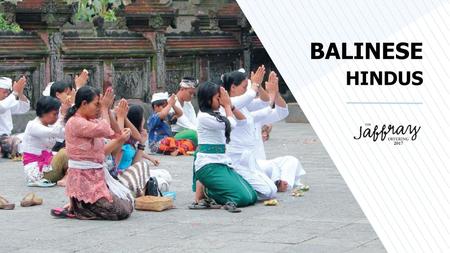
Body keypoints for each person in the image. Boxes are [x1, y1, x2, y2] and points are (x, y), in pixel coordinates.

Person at [63, 86, 133, 220]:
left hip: (96, 178)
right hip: (84, 181)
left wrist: (116, 115)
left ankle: (79, 207)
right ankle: (79, 207)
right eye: (96, 104)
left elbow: (116, 133)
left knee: (128, 202)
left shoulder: (91, 121)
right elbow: (105, 129)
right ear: (84, 103)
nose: (98, 108)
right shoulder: (75, 122)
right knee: (121, 211)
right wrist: (105, 108)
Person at [190, 81, 257, 213]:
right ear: (208, 100)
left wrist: (229, 105)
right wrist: (226, 105)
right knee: (241, 198)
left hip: (222, 162)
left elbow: (242, 121)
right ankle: (207, 192)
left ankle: (209, 191)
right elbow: (231, 124)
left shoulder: (216, 113)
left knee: (251, 195)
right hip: (208, 165)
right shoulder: (204, 117)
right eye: (217, 98)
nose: (220, 100)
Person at [21, 96, 69, 187]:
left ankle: (67, 176)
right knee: (64, 153)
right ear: (43, 112)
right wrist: (63, 115)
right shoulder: (33, 125)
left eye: (57, 114)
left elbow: (65, 133)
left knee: (72, 151)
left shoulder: (50, 126)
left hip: (47, 163)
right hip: (36, 171)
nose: (57, 117)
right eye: (54, 114)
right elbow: (56, 132)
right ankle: (67, 176)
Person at [0, 76, 30, 159]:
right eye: (4, 92)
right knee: (17, 142)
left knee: (31, 135)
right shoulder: (4, 104)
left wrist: (20, 93)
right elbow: (2, 108)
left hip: (6, 138)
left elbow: (24, 108)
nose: (6, 95)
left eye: (8, 92)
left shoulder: (6, 102)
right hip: (3, 140)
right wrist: (15, 93)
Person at [171, 77, 199, 146]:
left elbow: (194, 122)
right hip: (174, 135)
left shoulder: (188, 104)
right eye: (190, 93)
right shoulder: (172, 102)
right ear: (182, 89)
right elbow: (185, 123)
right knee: (194, 135)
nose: (192, 96)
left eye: (193, 94)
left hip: (188, 133)